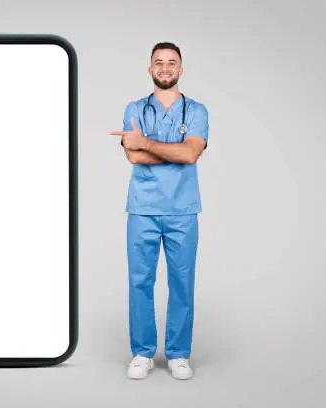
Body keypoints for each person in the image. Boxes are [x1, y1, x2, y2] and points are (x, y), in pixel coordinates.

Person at [110, 42, 209, 380]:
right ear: (150, 69)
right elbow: (133, 157)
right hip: (143, 209)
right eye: (158, 62)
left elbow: (190, 154)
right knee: (141, 281)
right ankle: (141, 353)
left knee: (182, 282)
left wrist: (148, 143)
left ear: (181, 69)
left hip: (183, 210)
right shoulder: (134, 109)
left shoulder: (196, 111)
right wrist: (171, 150)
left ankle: (179, 354)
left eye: (172, 62)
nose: (165, 68)